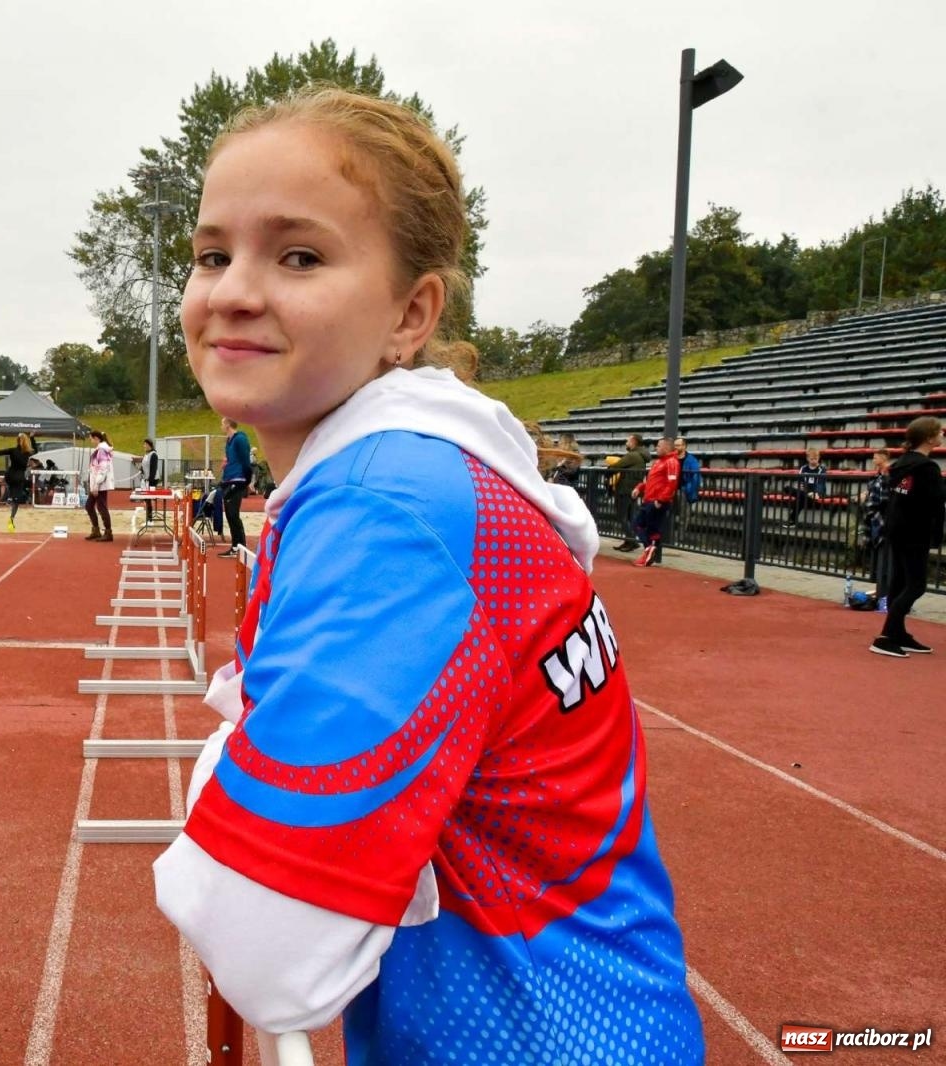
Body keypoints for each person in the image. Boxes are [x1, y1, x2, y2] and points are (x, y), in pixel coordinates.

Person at [151, 87, 702, 1063]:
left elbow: (263, 941)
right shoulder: (422, 475)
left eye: (298, 255)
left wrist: (227, 759)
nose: (230, 289)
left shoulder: (387, 513)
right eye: (211, 253)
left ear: (411, 313)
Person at [871, 419, 943, 657]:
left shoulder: (901, 463)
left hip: (898, 530)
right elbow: (936, 500)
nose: (943, 434)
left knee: (900, 583)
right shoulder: (927, 468)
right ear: (930, 438)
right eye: (939, 432)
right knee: (916, 585)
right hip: (916, 532)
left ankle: (898, 633)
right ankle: (887, 635)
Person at [631, 437, 681, 566]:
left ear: (666, 447)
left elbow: (672, 483)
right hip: (650, 499)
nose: (656, 448)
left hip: (657, 501)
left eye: (659, 446)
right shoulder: (659, 462)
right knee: (642, 525)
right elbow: (650, 481)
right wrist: (639, 488)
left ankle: (648, 550)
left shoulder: (671, 462)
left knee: (647, 526)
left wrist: (661, 499)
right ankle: (649, 549)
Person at [861, 450, 892, 609]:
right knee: (881, 561)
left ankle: (885, 597)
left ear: (884, 458)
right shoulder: (877, 476)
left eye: (876, 456)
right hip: (876, 521)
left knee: (886, 563)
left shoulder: (888, 475)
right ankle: (881, 594)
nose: (873, 459)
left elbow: (884, 499)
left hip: (882, 522)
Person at [217, 416, 252, 558]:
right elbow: (231, 458)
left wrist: (247, 480)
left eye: (222, 424)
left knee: (233, 514)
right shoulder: (229, 442)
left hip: (238, 480)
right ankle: (236, 546)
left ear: (227, 425)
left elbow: (245, 460)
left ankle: (240, 546)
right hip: (229, 479)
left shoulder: (240, 439)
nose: (220, 426)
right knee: (230, 515)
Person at [607, 434, 648, 551]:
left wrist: (608, 471)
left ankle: (632, 540)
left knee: (621, 516)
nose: (626, 443)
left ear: (634, 442)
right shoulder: (641, 455)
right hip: (632, 489)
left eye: (628, 441)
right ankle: (629, 541)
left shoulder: (633, 455)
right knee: (630, 517)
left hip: (625, 489)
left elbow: (616, 466)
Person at [0, 433, 34, 531]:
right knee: (17, 500)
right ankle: (11, 516)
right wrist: (32, 437)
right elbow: (36, 448)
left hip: (9, 475)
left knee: (10, 486)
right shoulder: (28, 452)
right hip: (19, 476)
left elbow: (2, 452)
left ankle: (9, 496)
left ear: (17, 441)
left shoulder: (13, 450)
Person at [85, 429, 115, 541]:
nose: (90, 439)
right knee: (89, 506)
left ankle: (108, 532)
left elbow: (102, 469)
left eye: (91, 438)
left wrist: (96, 484)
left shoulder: (102, 450)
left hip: (100, 484)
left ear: (96, 438)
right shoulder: (99, 450)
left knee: (101, 507)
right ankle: (96, 530)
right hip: (96, 484)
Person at [786, 447, 827, 527]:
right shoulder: (803, 468)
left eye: (816, 459)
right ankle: (792, 521)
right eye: (812, 459)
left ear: (819, 458)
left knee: (800, 498)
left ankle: (792, 520)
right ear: (807, 459)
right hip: (805, 493)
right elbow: (801, 483)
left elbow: (821, 484)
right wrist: (803, 489)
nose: (814, 461)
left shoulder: (821, 469)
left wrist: (816, 493)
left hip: (816, 495)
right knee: (787, 488)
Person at [673, 437, 701, 538]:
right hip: (671, 490)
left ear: (684, 446)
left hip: (683, 490)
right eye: (675, 445)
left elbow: (695, 477)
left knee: (683, 516)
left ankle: (679, 537)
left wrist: (688, 490)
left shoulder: (691, 460)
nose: (675, 447)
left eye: (678, 445)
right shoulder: (672, 458)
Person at [139, 437, 164, 520]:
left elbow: (153, 469)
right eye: (144, 444)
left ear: (150, 445)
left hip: (152, 479)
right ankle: (149, 516)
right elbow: (144, 465)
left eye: (145, 444)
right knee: (146, 498)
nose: (144, 446)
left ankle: (149, 518)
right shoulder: (146, 454)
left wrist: (149, 481)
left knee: (149, 497)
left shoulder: (153, 454)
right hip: (146, 479)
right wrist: (141, 470)